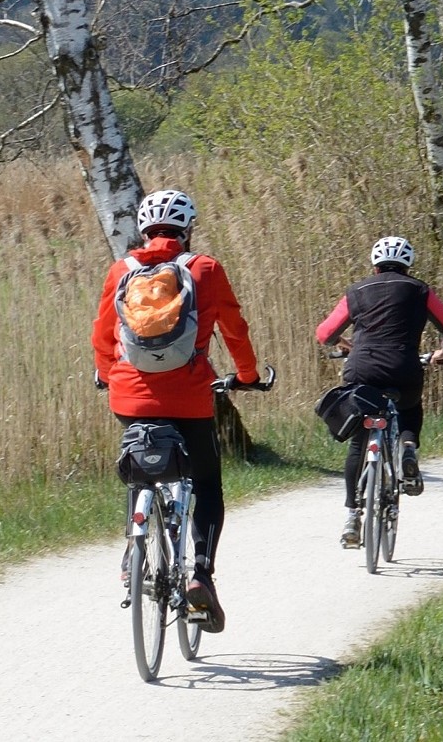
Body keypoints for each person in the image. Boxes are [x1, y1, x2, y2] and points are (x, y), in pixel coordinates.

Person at [92, 189, 264, 633]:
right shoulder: (204, 269)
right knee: (206, 483)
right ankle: (201, 574)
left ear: (144, 230)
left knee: (140, 467)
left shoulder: (120, 270)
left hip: (128, 396)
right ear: (187, 231)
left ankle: (134, 553)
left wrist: (108, 374)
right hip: (189, 398)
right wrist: (246, 375)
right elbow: (234, 328)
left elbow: (102, 335)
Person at [315, 236, 443, 548]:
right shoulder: (420, 290)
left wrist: (343, 344)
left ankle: (353, 515)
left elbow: (325, 333)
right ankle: (408, 448)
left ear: (374, 265)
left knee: (358, 443)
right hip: (404, 368)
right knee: (409, 407)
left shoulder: (357, 291)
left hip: (362, 371)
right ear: (408, 265)